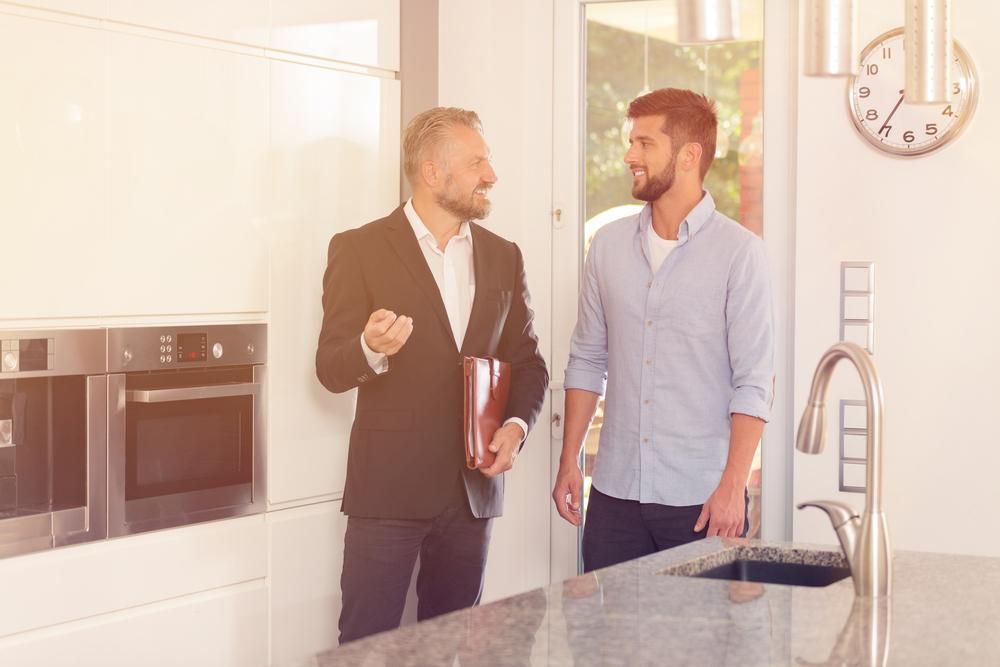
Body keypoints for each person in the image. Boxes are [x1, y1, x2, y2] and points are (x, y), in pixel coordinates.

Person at [316, 106, 548, 643]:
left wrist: (516, 427)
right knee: (365, 646)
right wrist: (368, 348)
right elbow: (329, 367)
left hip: (472, 494)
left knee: (451, 647)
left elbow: (527, 363)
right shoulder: (359, 248)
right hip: (388, 494)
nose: (491, 175)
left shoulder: (503, 257)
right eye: (477, 163)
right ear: (433, 172)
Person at [551, 88, 773, 572]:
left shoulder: (739, 254)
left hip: (702, 501)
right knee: (608, 644)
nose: (631, 155)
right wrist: (571, 460)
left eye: (646, 143)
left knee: (702, 646)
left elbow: (753, 383)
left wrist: (734, 486)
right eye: (632, 142)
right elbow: (588, 359)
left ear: (689, 155)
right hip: (614, 496)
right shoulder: (607, 247)